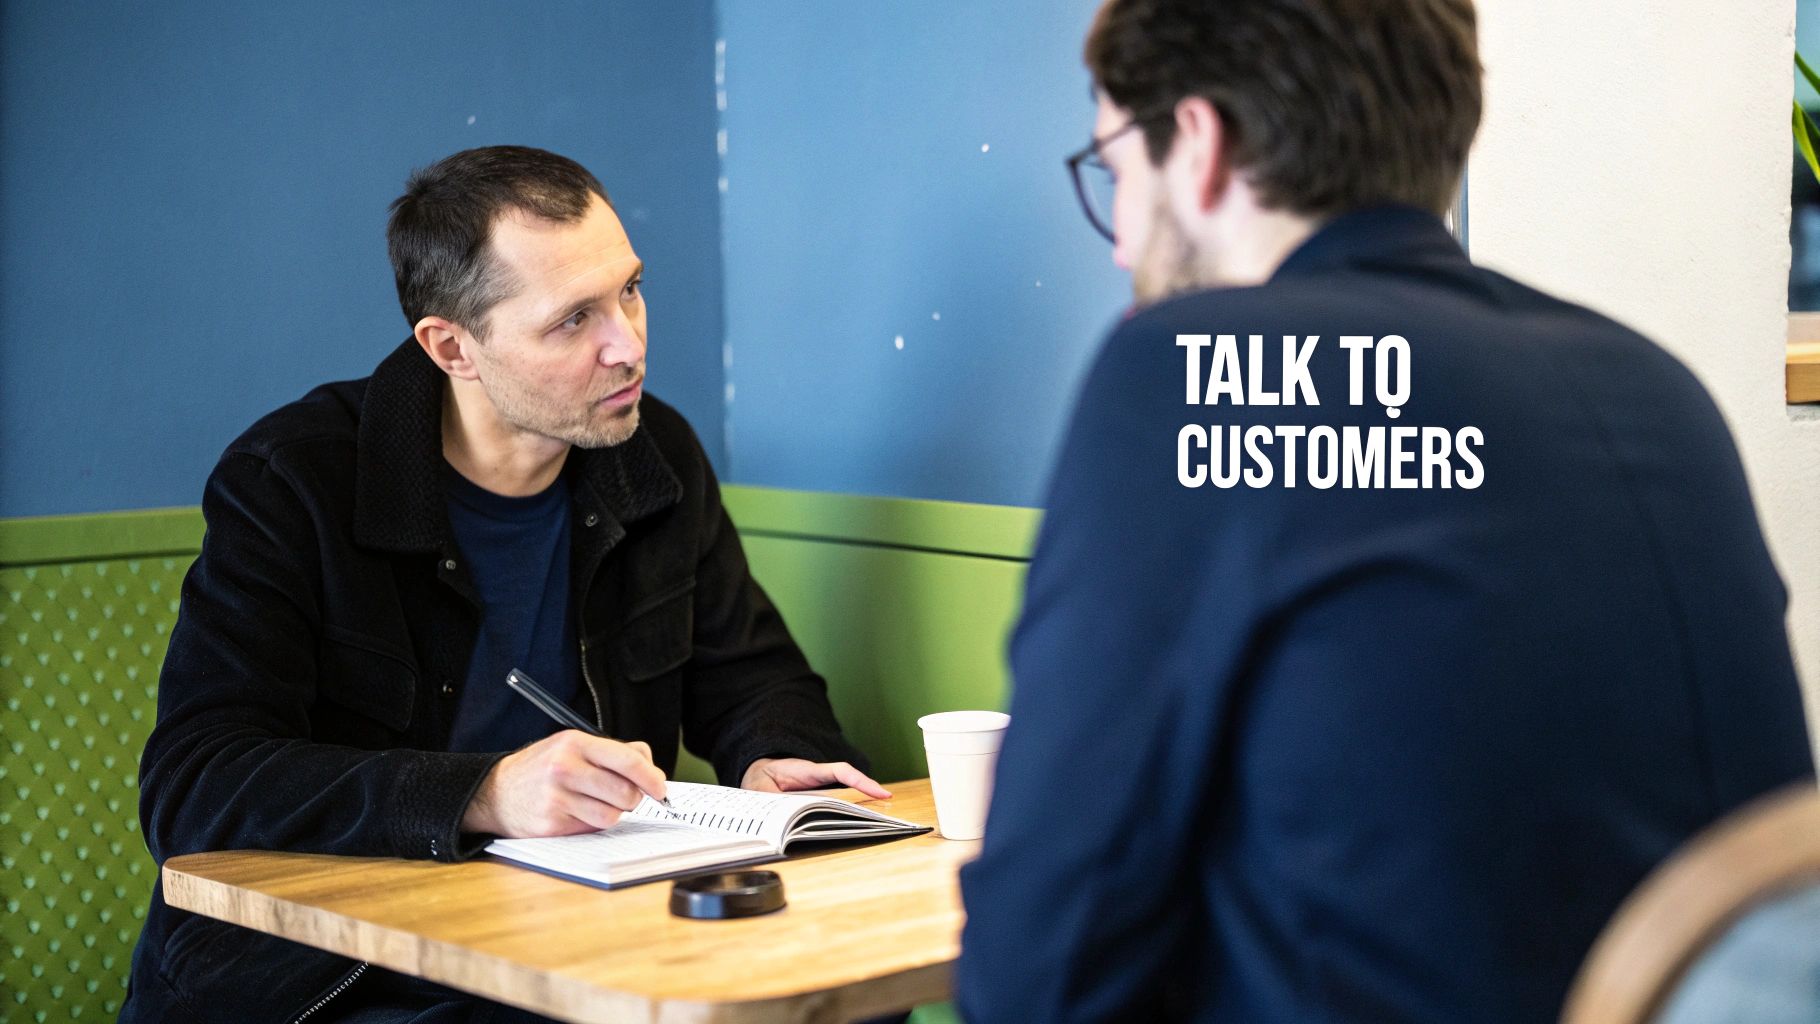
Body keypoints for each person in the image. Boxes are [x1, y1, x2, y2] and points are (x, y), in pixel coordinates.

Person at [956, 1, 1815, 1021]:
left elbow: (1037, 973)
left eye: (1114, 171)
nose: (1119, 244)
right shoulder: (1651, 390)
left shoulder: (1191, 373)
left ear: (1196, 144)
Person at [121, 145, 886, 1023]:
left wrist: (769, 753)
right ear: (453, 347)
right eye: (573, 320)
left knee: (851, 998)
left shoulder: (650, 453)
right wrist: (484, 794)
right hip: (337, 979)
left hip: (582, 944)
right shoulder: (294, 479)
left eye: (630, 290)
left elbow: (753, 676)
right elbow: (196, 785)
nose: (626, 345)